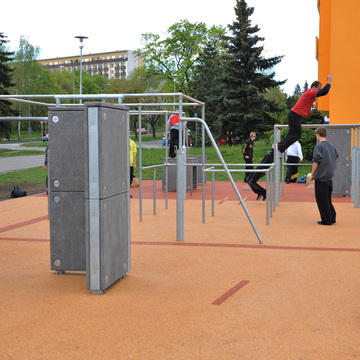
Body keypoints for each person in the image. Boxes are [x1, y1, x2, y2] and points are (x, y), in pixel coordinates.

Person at [277, 74, 333, 154]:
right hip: (294, 114)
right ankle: (280, 147)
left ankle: (280, 147)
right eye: (318, 89)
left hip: (295, 115)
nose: (318, 91)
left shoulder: (309, 94)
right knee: (296, 135)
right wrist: (329, 81)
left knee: (293, 134)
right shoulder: (310, 92)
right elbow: (324, 92)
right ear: (314, 87)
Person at [309, 127, 339, 225]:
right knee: (328, 200)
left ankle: (326, 220)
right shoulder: (331, 146)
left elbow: (316, 161)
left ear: (318, 134)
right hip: (329, 178)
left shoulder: (319, 146)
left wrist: (312, 175)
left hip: (321, 178)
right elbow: (336, 156)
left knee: (322, 201)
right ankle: (332, 217)